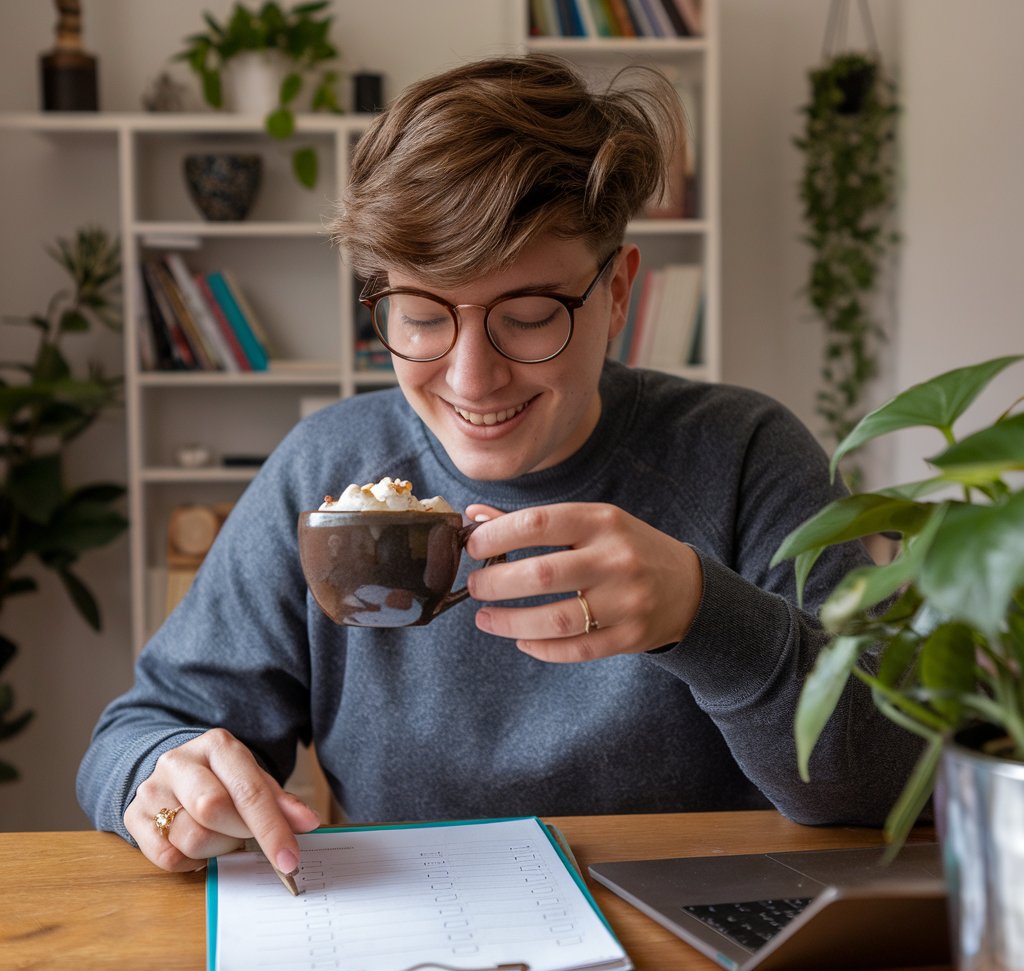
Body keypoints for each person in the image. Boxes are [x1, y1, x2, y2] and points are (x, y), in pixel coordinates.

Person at [78, 54, 921, 881]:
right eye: (420, 316)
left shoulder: (743, 455)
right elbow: (142, 729)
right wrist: (165, 782)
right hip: (411, 946)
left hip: (704, 951)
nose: (470, 379)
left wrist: (703, 617)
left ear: (618, 292)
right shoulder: (325, 472)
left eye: (527, 317)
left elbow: (893, 783)